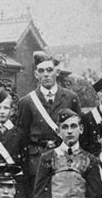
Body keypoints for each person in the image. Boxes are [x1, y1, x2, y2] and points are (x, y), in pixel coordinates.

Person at [32, 110, 101, 198]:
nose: (69, 131)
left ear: (81, 129)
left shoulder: (90, 160)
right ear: (58, 131)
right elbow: (40, 195)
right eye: (65, 127)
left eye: (73, 126)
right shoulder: (47, 158)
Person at [16, 51, 81, 190]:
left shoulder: (71, 98)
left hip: (65, 158)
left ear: (57, 72)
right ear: (36, 74)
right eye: (41, 71)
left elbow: (78, 132)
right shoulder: (27, 102)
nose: (46, 74)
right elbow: (22, 138)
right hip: (37, 160)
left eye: (49, 70)